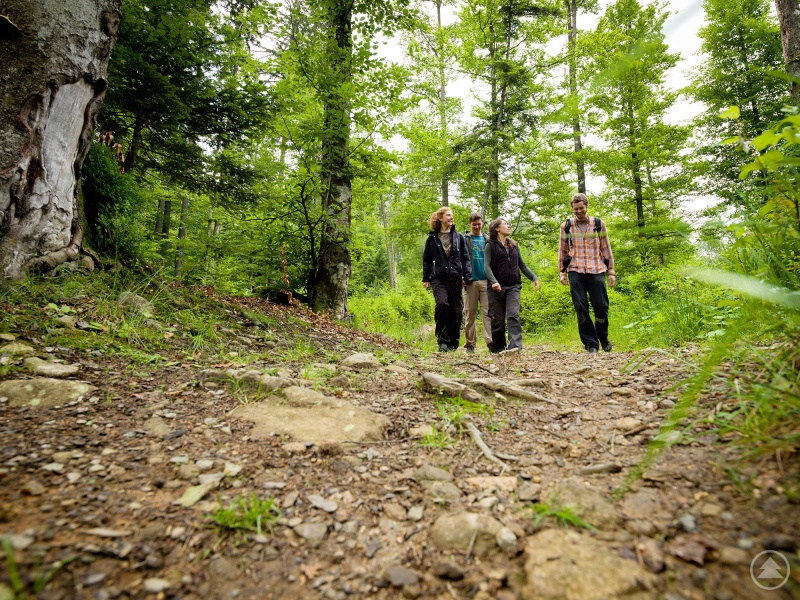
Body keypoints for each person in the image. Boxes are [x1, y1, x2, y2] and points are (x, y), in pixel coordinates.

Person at [557, 192, 616, 354]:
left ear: (586, 206)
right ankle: (591, 344)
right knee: (581, 308)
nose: (578, 211)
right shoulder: (566, 226)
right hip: (575, 270)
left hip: (596, 269)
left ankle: (602, 336)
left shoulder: (598, 224)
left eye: (581, 208)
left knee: (601, 306)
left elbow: (606, 247)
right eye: (575, 209)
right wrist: (562, 272)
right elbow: (562, 250)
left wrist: (611, 271)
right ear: (572, 208)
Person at [484, 217, 540, 352]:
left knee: (513, 315)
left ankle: (515, 347)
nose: (508, 226)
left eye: (508, 224)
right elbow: (486, 266)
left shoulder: (514, 245)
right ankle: (498, 348)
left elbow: (522, 264)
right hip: (496, 287)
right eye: (505, 224)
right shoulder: (490, 245)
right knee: (497, 320)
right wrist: (494, 282)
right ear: (497, 228)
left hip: (513, 286)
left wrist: (533, 277)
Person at [422, 207, 472, 352]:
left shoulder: (458, 237)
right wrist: (426, 277)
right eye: (448, 215)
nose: (451, 217)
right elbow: (427, 259)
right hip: (438, 278)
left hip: (456, 278)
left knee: (456, 310)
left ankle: (453, 341)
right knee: (442, 304)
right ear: (440, 218)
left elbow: (465, 258)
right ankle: (443, 340)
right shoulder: (432, 238)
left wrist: (467, 275)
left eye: (452, 215)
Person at [463, 212, 493, 353]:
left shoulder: (488, 240)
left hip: (486, 281)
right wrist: (462, 276)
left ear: (483, 224)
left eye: (479, 224)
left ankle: (491, 342)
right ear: (470, 224)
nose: (476, 226)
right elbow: (460, 259)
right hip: (470, 281)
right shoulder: (465, 240)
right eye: (474, 224)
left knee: (488, 313)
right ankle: (470, 344)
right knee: (470, 314)